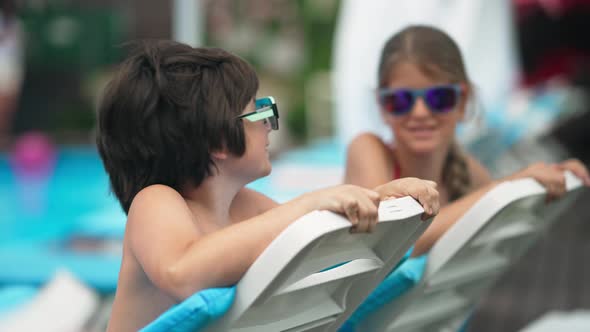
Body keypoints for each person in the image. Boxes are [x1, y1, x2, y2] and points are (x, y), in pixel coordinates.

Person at [96, 40, 440, 331]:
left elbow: (322, 244)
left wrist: (378, 199)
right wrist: (309, 204)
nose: (270, 125)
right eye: (258, 111)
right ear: (218, 138)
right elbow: (181, 273)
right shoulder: (156, 202)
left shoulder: (246, 207)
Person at [345, 25, 590, 257]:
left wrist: (553, 179)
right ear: (382, 106)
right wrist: (502, 189)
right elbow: (392, 241)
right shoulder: (369, 149)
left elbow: (508, 223)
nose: (420, 112)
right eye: (400, 100)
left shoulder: (462, 168)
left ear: (462, 102)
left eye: (439, 97)